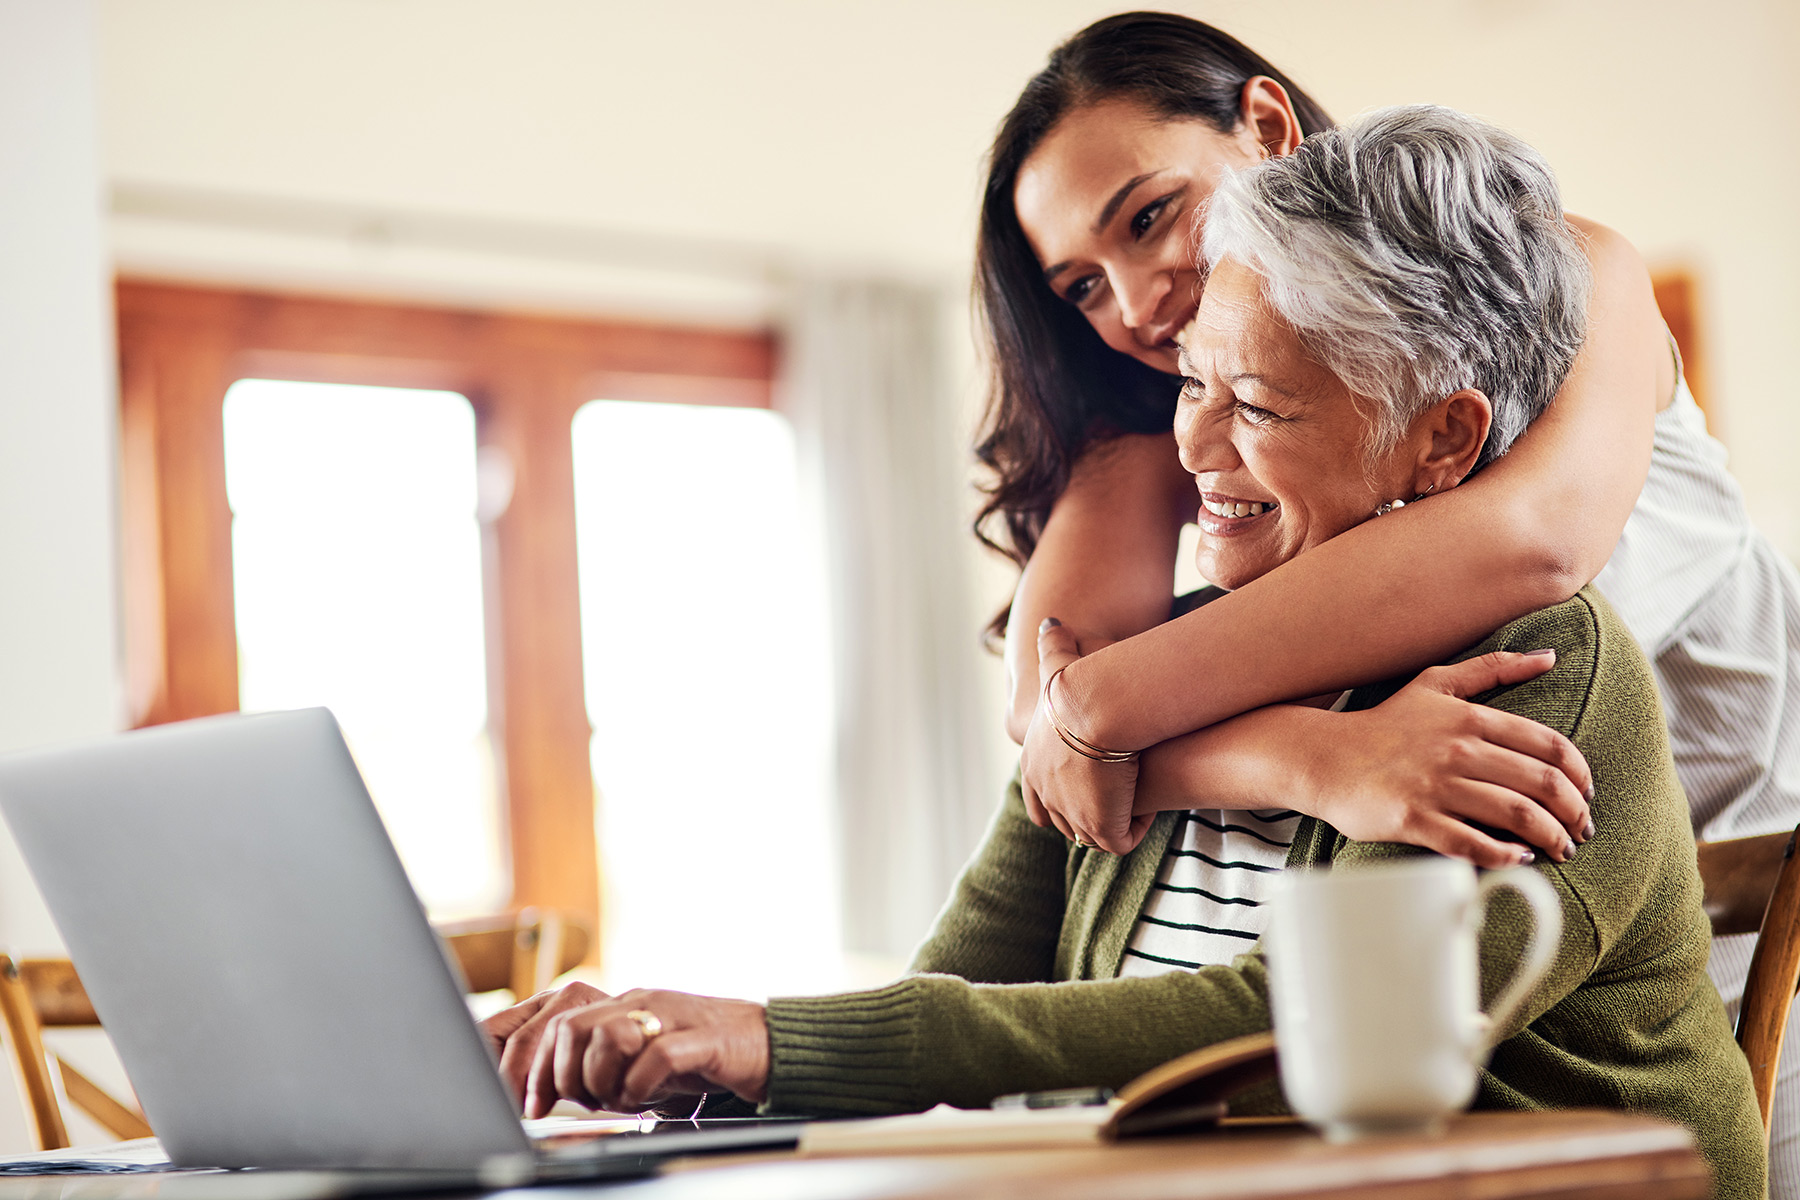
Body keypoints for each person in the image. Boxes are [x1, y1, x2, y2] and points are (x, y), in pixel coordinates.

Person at [480, 107, 1765, 1200]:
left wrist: (775, 1043)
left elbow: (1292, 1033)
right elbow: (965, 976)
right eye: (1188, 384)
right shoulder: (1182, 654)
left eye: (1255, 404)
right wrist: (708, 1063)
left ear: (1439, 443)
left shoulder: (1535, 672)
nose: (1196, 451)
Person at [978, 13, 1800, 1188]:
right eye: (1082, 287)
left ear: (1265, 124)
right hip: (1495, 940)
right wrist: (1307, 761)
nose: (1137, 301)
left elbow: (1529, 543)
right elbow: (1044, 722)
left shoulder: (1562, 280)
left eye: (1151, 216)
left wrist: (1103, 713)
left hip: (1744, 916)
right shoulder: (1190, 409)